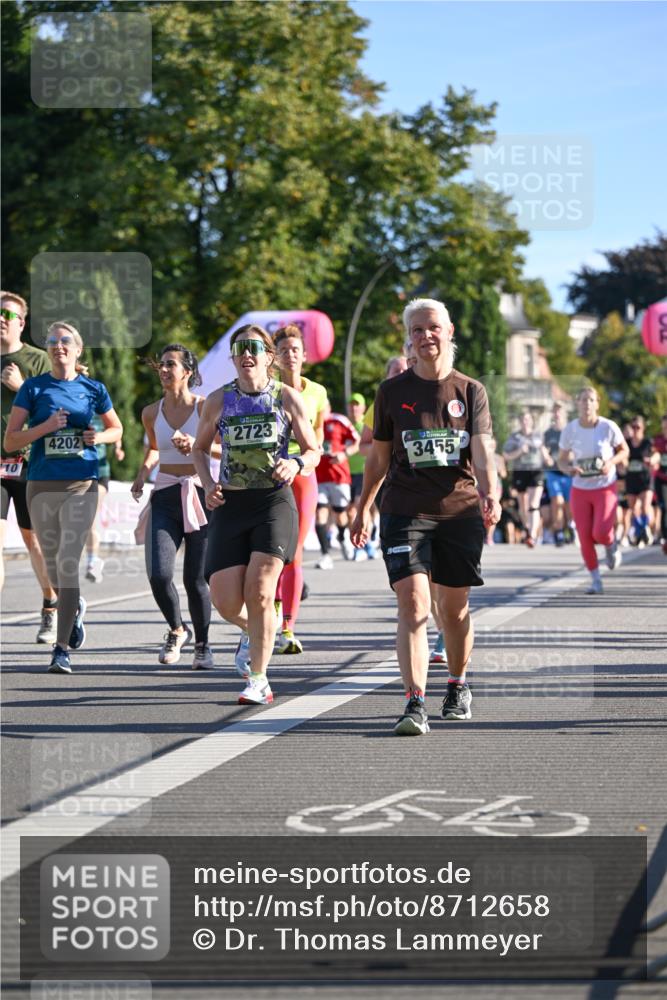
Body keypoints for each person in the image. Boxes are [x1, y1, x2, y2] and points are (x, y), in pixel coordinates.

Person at [351, 297, 501, 736]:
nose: (425, 336)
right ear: (408, 339)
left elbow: (483, 449)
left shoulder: (470, 391)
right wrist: (362, 508)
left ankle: (456, 684)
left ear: (449, 332)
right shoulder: (391, 393)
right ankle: (414, 701)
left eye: (433, 327)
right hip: (404, 509)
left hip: (459, 510)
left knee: (452, 611)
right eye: (417, 330)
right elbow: (378, 461)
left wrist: (490, 491)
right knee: (413, 604)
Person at [192, 324, 319, 706]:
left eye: (254, 348)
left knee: (261, 590)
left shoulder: (287, 397)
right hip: (231, 506)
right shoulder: (218, 400)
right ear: (233, 359)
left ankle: (259, 680)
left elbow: (314, 451)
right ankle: (255, 630)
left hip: (273, 504)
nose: (247, 355)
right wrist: (208, 483)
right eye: (240, 349)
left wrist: (295, 463)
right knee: (225, 601)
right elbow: (199, 449)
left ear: (269, 357)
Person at [4, 321, 122, 673]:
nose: (59, 346)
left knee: (69, 560)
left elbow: (116, 428)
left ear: (78, 349)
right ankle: (74, 607)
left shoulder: (93, 388)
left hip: (81, 484)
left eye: (65, 340)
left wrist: (97, 439)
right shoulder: (33, 389)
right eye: (53, 341)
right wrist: (45, 428)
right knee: (53, 562)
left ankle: (61, 648)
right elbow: (11, 441)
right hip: (40, 484)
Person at [132, 345, 215, 669]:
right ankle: (177, 629)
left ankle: (203, 646)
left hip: (199, 493)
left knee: (196, 578)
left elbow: (224, 449)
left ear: (187, 372)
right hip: (165, 494)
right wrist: (142, 473)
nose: (164, 370)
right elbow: (156, 447)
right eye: (161, 365)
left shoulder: (206, 407)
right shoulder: (151, 412)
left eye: (171, 364)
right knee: (158, 572)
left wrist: (197, 446)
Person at [1, 290, 59, 642]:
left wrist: (22, 387)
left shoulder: (38, 361)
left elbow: (56, 413)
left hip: (29, 463)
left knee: (34, 541)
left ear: (21, 323)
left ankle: (51, 604)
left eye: (6, 315)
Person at [271, 324, 328, 653]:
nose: (290, 354)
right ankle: (271, 616)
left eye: (295, 349)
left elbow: (317, 439)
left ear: (305, 356)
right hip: (272, 476)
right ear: (275, 357)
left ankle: (288, 628)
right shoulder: (269, 390)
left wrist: (302, 457)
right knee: (271, 553)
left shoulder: (317, 392)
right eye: (284, 350)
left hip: (304, 476)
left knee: (294, 553)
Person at [558, 386, 629, 595]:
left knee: (600, 531)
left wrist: (611, 462)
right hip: (580, 488)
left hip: (605, 487)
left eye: (591, 400)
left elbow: (625, 450)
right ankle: (596, 579)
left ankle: (610, 544)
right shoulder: (570, 429)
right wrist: (569, 469)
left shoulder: (608, 427)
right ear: (577, 404)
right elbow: (561, 460)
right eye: (583, 400)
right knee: (584, 536)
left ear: (597, 403)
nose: (587, 404)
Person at [314, 404, 360, 568]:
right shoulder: (310, 422)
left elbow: (357, 442)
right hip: (318, 478)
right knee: (320, 514)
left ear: (327, 406)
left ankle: (342, 536)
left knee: (341, 515)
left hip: (339, 476)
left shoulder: (339, 420)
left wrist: (343, 454)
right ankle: (325, 555)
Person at [85, 414, 125, 583]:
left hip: (100, 473)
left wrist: (117, 448)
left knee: (90, 516)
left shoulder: (102, 411)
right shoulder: (72, 409)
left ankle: (92, 561)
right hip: (78, 471)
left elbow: (117, 430)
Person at [503, 411, 548, 547]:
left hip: (536, 471)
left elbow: (544, 450)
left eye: (528, 419)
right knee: (523, 505)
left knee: (534, 504)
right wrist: (519, 451)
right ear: (520, 421)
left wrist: (546, 455)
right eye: (523, 419)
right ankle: (527, 528)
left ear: (532, 421)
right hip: (520, 471)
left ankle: (532, 535)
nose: (525, 421)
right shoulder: (514, 437)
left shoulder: (538, 435)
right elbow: (506, 455)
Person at [623, 416, 657, 547]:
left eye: (638, 427)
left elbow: (656, 454)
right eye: (633, 427)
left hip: (645, 480)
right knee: (633, 508)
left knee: (644, 506)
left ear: (643, 428)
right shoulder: (626, 443)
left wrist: (652, 460)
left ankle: (645, 529)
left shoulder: (647, 442)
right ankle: (641, 530)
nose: (635, 429)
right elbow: (621, 455)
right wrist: (623, 462)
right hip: (631, 479)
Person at [543, 402, 573, 546]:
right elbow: (543, 448)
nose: (557, 414)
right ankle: (559, 530)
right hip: (553, 472)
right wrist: (546, 457)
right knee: (557, 501)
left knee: (569, 505)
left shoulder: (570, 431)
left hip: (568, 473)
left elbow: (576, 449)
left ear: (564, 413)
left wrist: (568, 458)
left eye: (559, 411)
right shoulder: (548, 433)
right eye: (555, 411)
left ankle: (571, 528)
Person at [652, 414, 667, 555]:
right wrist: (653, 459)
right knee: (663, 507)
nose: (665, 429)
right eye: (664, 427)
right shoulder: (658, 440)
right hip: (661, 479)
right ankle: (664, 538)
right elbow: (655, 453)